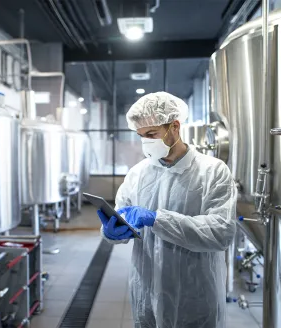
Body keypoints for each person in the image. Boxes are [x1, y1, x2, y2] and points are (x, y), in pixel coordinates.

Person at [97, 92, 237, 328]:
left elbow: (221, 232)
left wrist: (156, 219)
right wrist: (111, 232)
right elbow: (122, 215)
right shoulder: (137, 174)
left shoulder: (212, 171)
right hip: (146, 292)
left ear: (174, 126)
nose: (146, 142)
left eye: (151, 134)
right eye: (141, 136)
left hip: (195, 294)